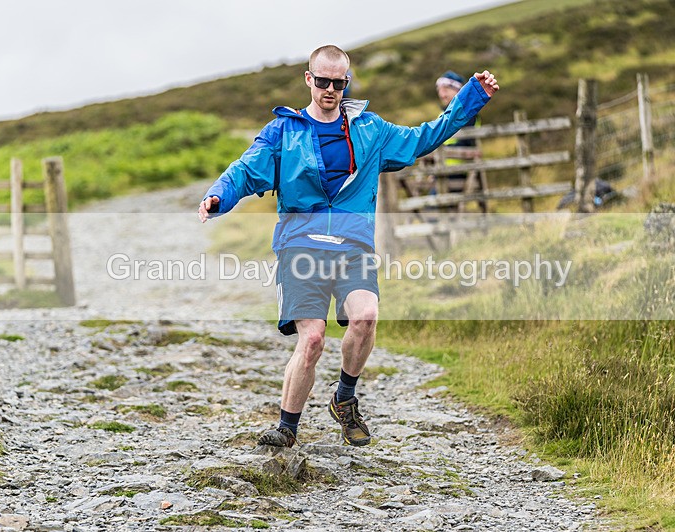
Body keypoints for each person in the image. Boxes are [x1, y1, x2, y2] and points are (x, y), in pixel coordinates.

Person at [198, 45, 498, 448]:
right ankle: (287, 428)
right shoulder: (284, 132)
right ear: (309, 79)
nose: (330, 90)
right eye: (322, 81)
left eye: (339, 83)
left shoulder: (370, 130)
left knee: (366, 317)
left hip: (352, 244)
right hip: (300, 244)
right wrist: (219, 196)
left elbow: (425, 137)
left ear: (347, 83)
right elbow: (244, 170)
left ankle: (344, 398)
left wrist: (470, 99)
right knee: (314, 338)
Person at [434, 71, 486, 208]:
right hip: (439, 170)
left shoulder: (468, 114)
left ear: (458, 90)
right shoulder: (442, 114)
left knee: (436, 208)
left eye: (446, 89)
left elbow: (466, 142)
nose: (442, 94)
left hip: (458, 171)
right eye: (439, 90)